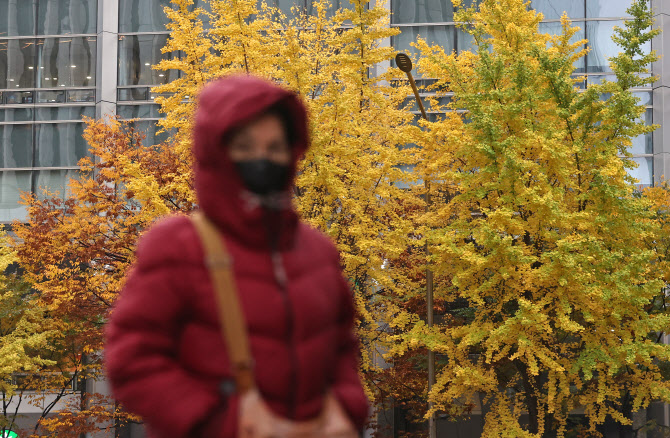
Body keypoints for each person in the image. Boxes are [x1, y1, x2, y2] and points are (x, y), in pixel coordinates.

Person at [104, 75, 369, 438]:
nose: (263, 159)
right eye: (244, 146)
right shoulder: (179, 246)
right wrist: (222, 423)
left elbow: (341, 348)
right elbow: (132, 360)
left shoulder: (318, 251)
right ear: (216, 152)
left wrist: (346, 409)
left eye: (275, 147)